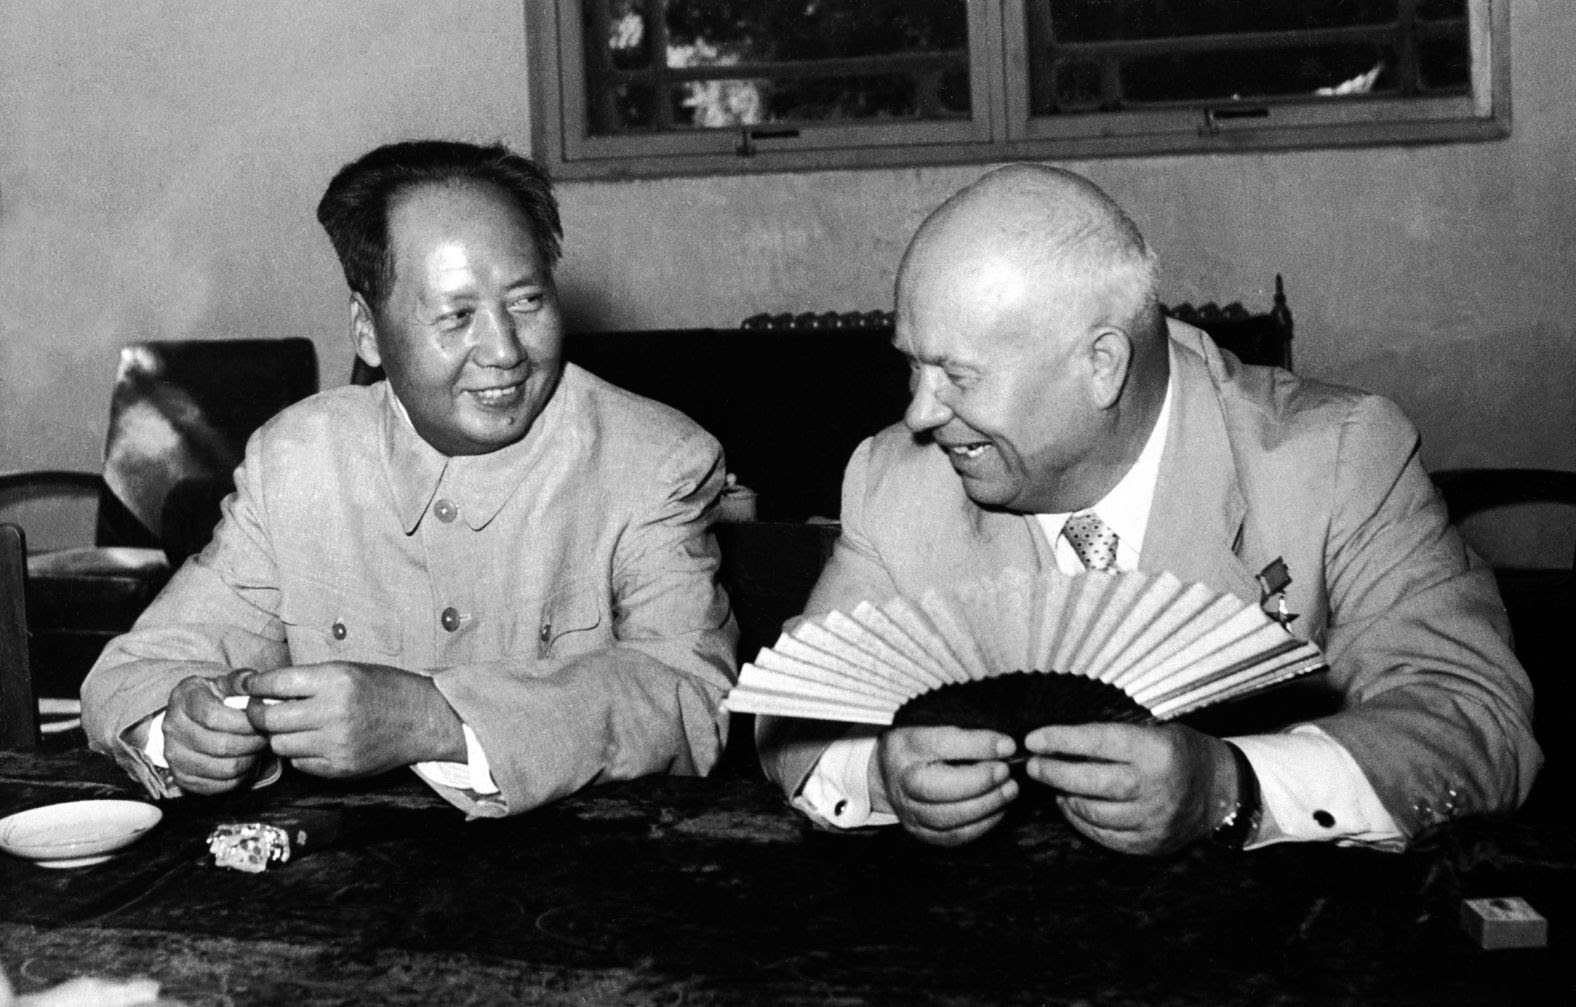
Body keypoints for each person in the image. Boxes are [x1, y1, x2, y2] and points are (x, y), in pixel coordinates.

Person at [756, 164, 1541, 854]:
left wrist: (1229, 787)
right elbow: (792, 719)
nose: (921, 414)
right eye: (913, 366)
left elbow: (1476, 723)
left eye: (958, 376)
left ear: (1101, 363)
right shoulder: (895, 479)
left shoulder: (1338, 458)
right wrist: (884, 773)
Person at [81, 140, 737, 816]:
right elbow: (128, 676)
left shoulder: (653, 460)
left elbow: (693, 699)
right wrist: (180, 730)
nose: (506, 350)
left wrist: (435, 720)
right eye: (456, 316)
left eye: (528, 301)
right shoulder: (299, 462)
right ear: (368, 330)